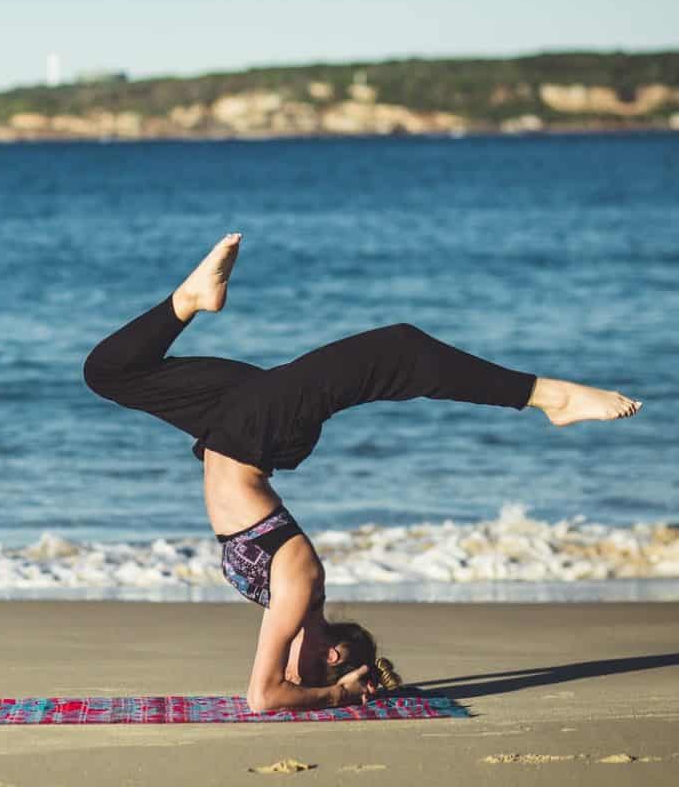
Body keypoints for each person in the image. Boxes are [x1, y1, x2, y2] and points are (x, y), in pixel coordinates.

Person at [83, 234, 642, 712]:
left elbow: (265, 693)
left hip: (230, 425)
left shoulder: (287, 604)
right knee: (400, 348)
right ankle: (551, 397)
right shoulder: (300, 585)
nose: (289, 669)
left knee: (109, 372)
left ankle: (189, 300)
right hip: (256, 434)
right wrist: (339, 694)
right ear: (332, 654)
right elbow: (267, 695)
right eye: (306, 671)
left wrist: (340, 691)